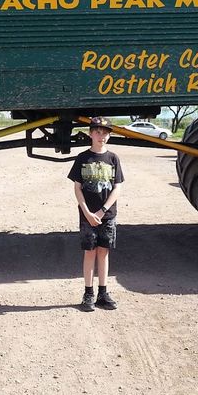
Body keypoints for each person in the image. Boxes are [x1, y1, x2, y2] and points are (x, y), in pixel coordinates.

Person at [67, 116, 124, 312]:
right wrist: (87, 212)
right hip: (87, 215)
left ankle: (103, 293)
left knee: (103, 252)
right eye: (98, 132)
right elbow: (77, 188)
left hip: (107, 215)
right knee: (89, 252)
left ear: (109, 136)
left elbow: (117, 188)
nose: (102, 136)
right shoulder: (83, 158)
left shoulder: (113, 158)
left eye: (105, 133)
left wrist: (103, 210)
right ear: (90, 134)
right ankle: (88, 293)